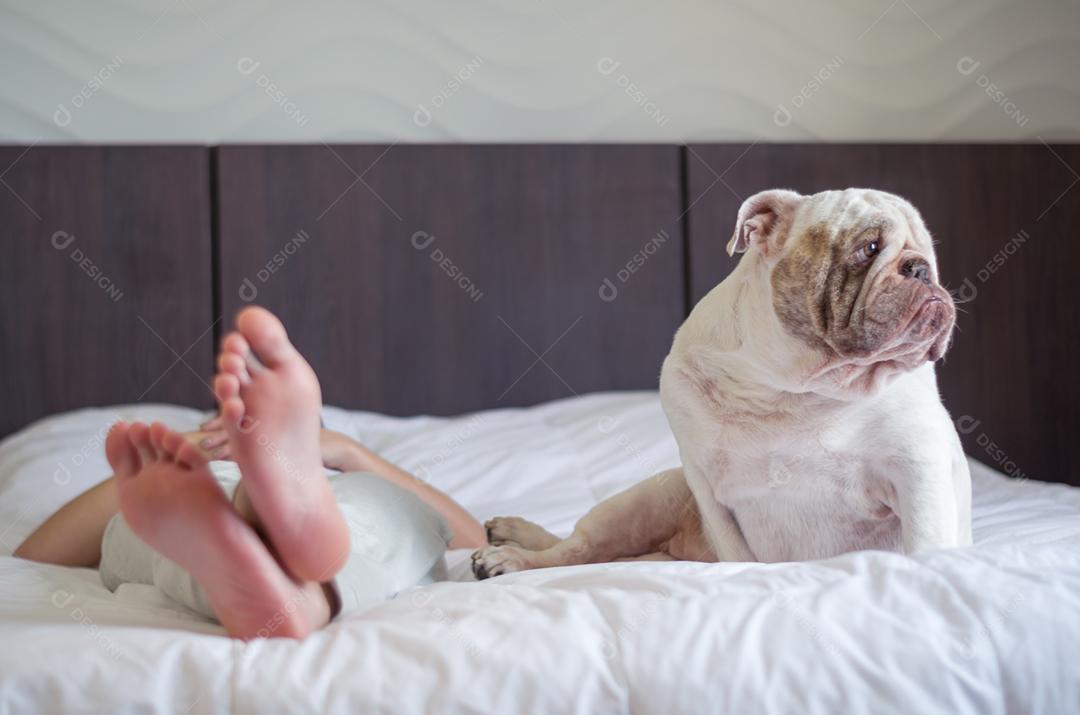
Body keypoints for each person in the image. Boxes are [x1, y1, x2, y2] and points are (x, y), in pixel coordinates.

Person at [15, 306, 486, 639]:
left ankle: (264, 527)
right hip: (217, 498)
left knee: (380, 507)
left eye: (258, 431)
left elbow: (475, 542)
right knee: (373, 523)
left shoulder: (349, 470)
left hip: (331, 497)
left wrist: (346, 451)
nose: (241, 434)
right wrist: (190, 453)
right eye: (231, 428)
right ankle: (272, 547)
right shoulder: (171, 485)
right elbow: (38, 554)